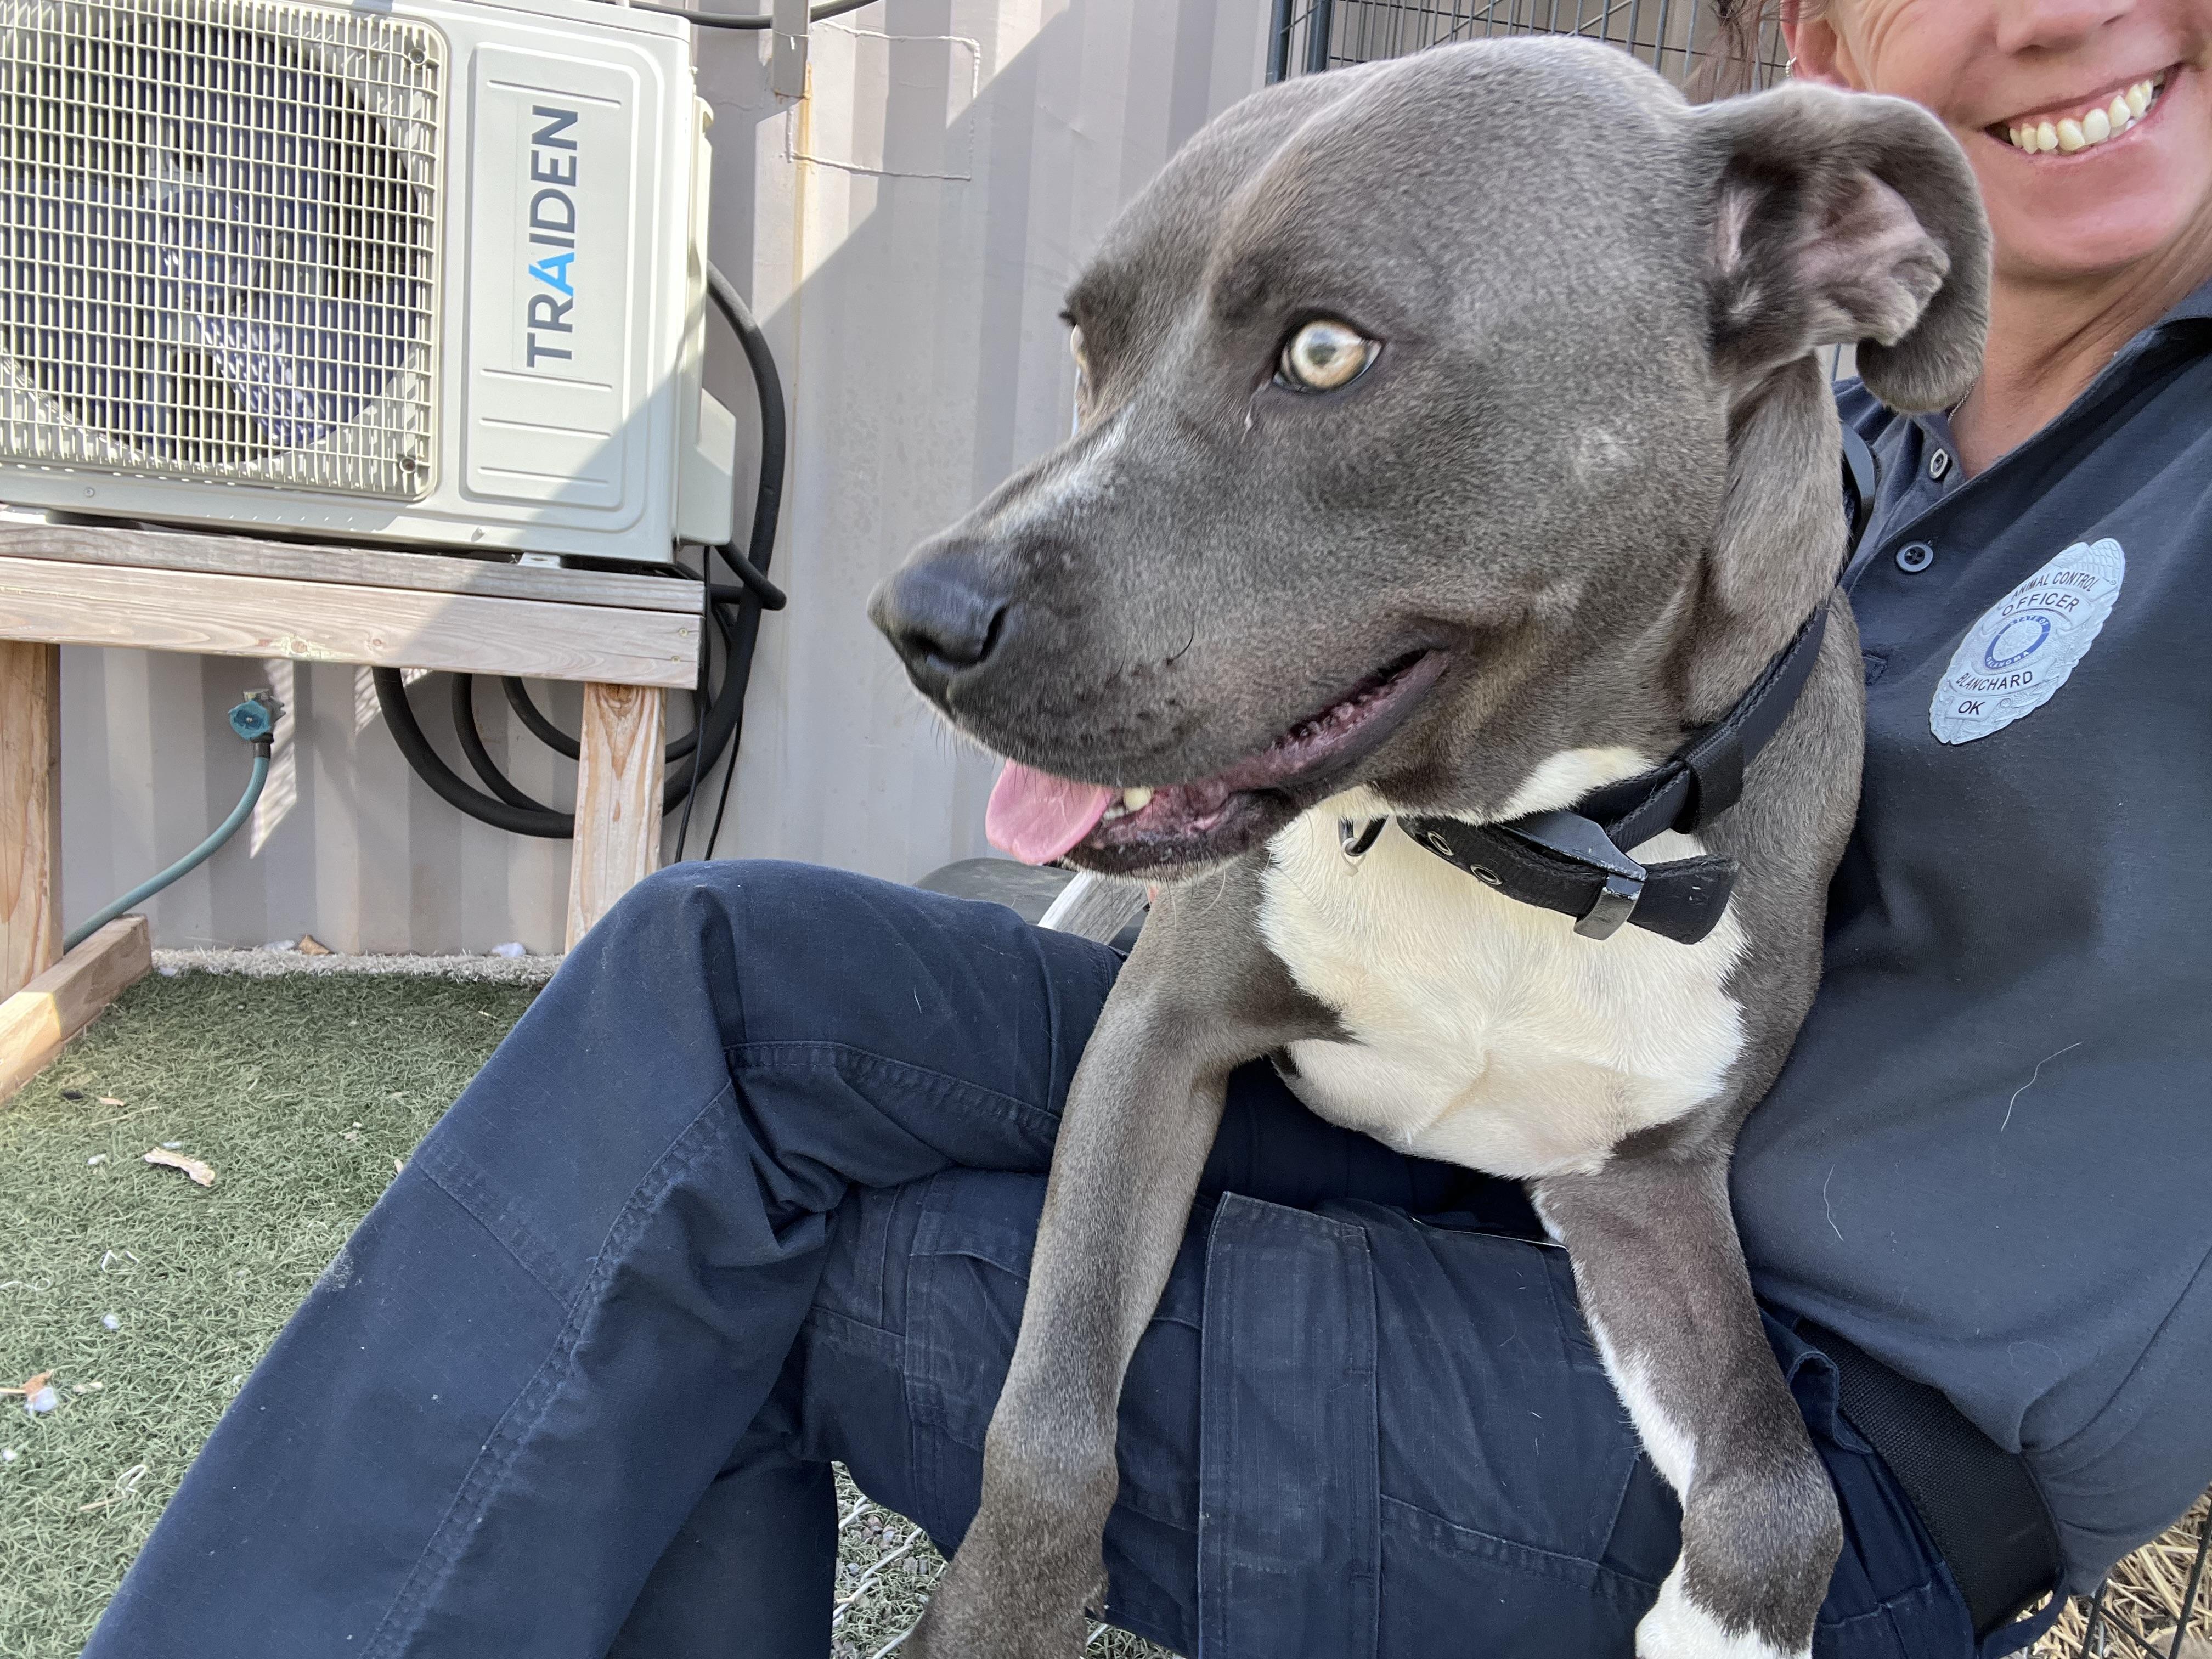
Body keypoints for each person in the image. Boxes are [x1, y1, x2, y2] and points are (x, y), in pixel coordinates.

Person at [79, 2, 2212, 1655]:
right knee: (705, 974)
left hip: (1823, 1441)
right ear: (1833, 69)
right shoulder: (1850, 419)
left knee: (722, 1258)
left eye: (1320, 351)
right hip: (1450, 1112)